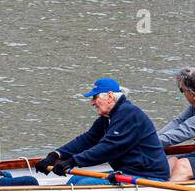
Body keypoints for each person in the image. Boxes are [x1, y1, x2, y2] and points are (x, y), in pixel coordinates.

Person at [34, 78, 170, 185]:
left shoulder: (128, 114)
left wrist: (72, 162)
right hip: (128, 172)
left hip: (149, 177)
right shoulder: (109, 117)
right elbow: (88, 139)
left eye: (95, 97)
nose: (92, 103)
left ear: (109, 96)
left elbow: (108, 148)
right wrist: (56, 155)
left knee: (82, 185)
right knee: (74, 180)